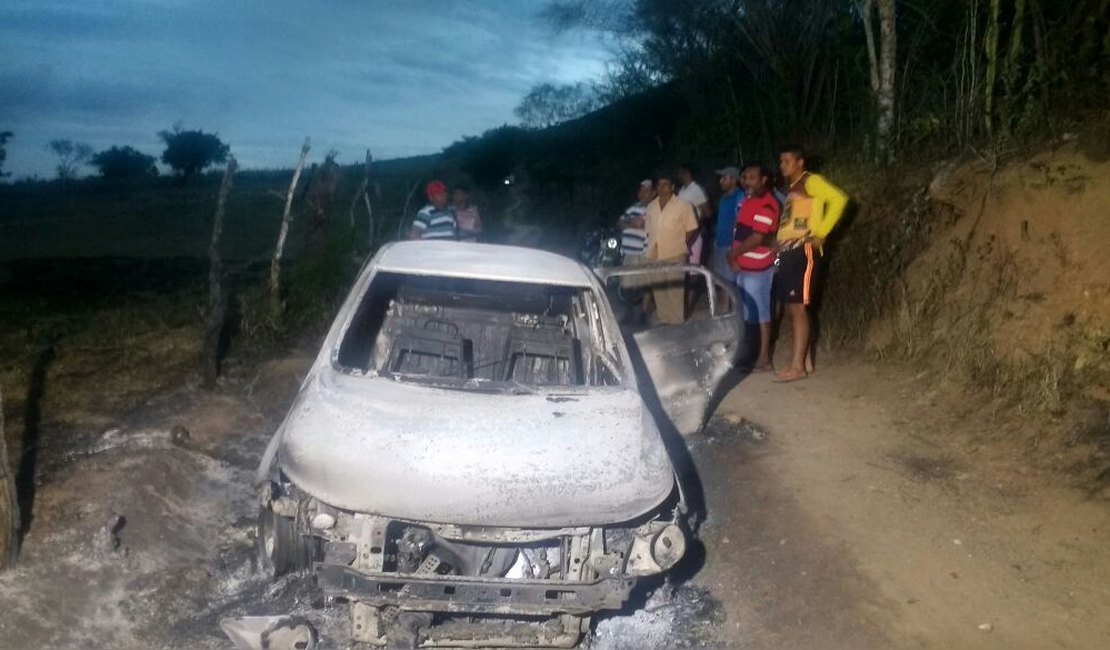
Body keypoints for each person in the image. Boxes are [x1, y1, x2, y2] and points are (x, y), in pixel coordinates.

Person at [773, 145, 849, 382]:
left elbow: (839, 199)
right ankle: (805, 360)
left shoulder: (810, 181)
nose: (782, 165)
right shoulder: (793, 188)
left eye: (787, 160)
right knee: (793, 307)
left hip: (802, 251)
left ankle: (797, 367)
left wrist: (821, 233)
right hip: (789, 251)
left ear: (800, 162)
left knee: (798, 308)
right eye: (781, 161)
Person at [728, 163, 780, 371]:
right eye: (745, 177)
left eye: (751, 177)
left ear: (764, 180)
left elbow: (757, 238)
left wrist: (732, 255)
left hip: (758, 267)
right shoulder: (750, 200)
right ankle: (752, 354)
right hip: (745, 264)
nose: (746, 181)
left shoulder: (767, 204)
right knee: (750, 312)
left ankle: (764, 358)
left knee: (762, 312)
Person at [644, 174, 700, 325]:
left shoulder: (684, 205)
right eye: (659, 185)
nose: (662, 188)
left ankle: (676, 323)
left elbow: (692, 228)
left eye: (666, 184)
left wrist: (679, 242)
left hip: (675, 253)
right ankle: (664, 319)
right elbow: (649, 230)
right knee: (659, 289)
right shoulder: (651, 207)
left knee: (675, 290)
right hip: (654, 255)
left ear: (673, 187)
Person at [712, 166, 744, 284]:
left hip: (731, 246)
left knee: (731, 283)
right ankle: (725, 303)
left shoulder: (740, 196)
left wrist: (735, 247)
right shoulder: (724, 197)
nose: (721, 181)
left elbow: (739, 222)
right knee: (723, 283)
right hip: (720, 244)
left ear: (734, 180)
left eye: (724, 178)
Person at [618, 179, 654, 264]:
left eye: (646, 191)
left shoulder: (654, 209)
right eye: (641, 191)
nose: (642, 194)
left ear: (653, 193)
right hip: (627, 253)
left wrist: (628, 223)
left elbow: (643, 225)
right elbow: (619, 222)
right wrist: (633, 223)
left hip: (643, 255)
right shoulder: (633, 208)